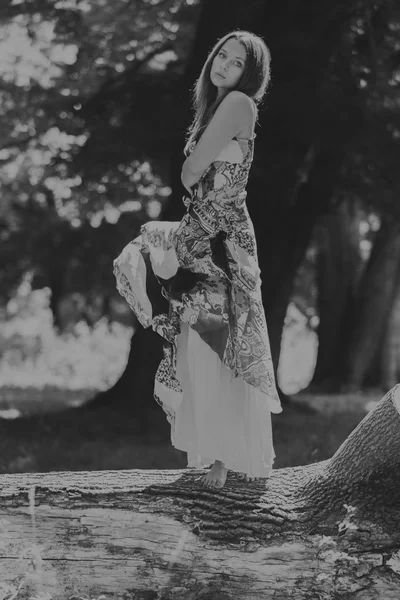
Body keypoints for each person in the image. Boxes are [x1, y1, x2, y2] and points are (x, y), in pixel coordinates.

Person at [113, 30, 282, 490]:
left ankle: (225, 457)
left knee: (218, 344)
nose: (225, 63)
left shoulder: (238, 105)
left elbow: (192, 172)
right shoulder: (219, 106)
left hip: (221, 241)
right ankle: (213, 453)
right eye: (221, 54)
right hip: (208, 232)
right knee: (200, 342)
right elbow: (197, 178)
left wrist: (196, 175)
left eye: (237, 60)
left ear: (252, 74)